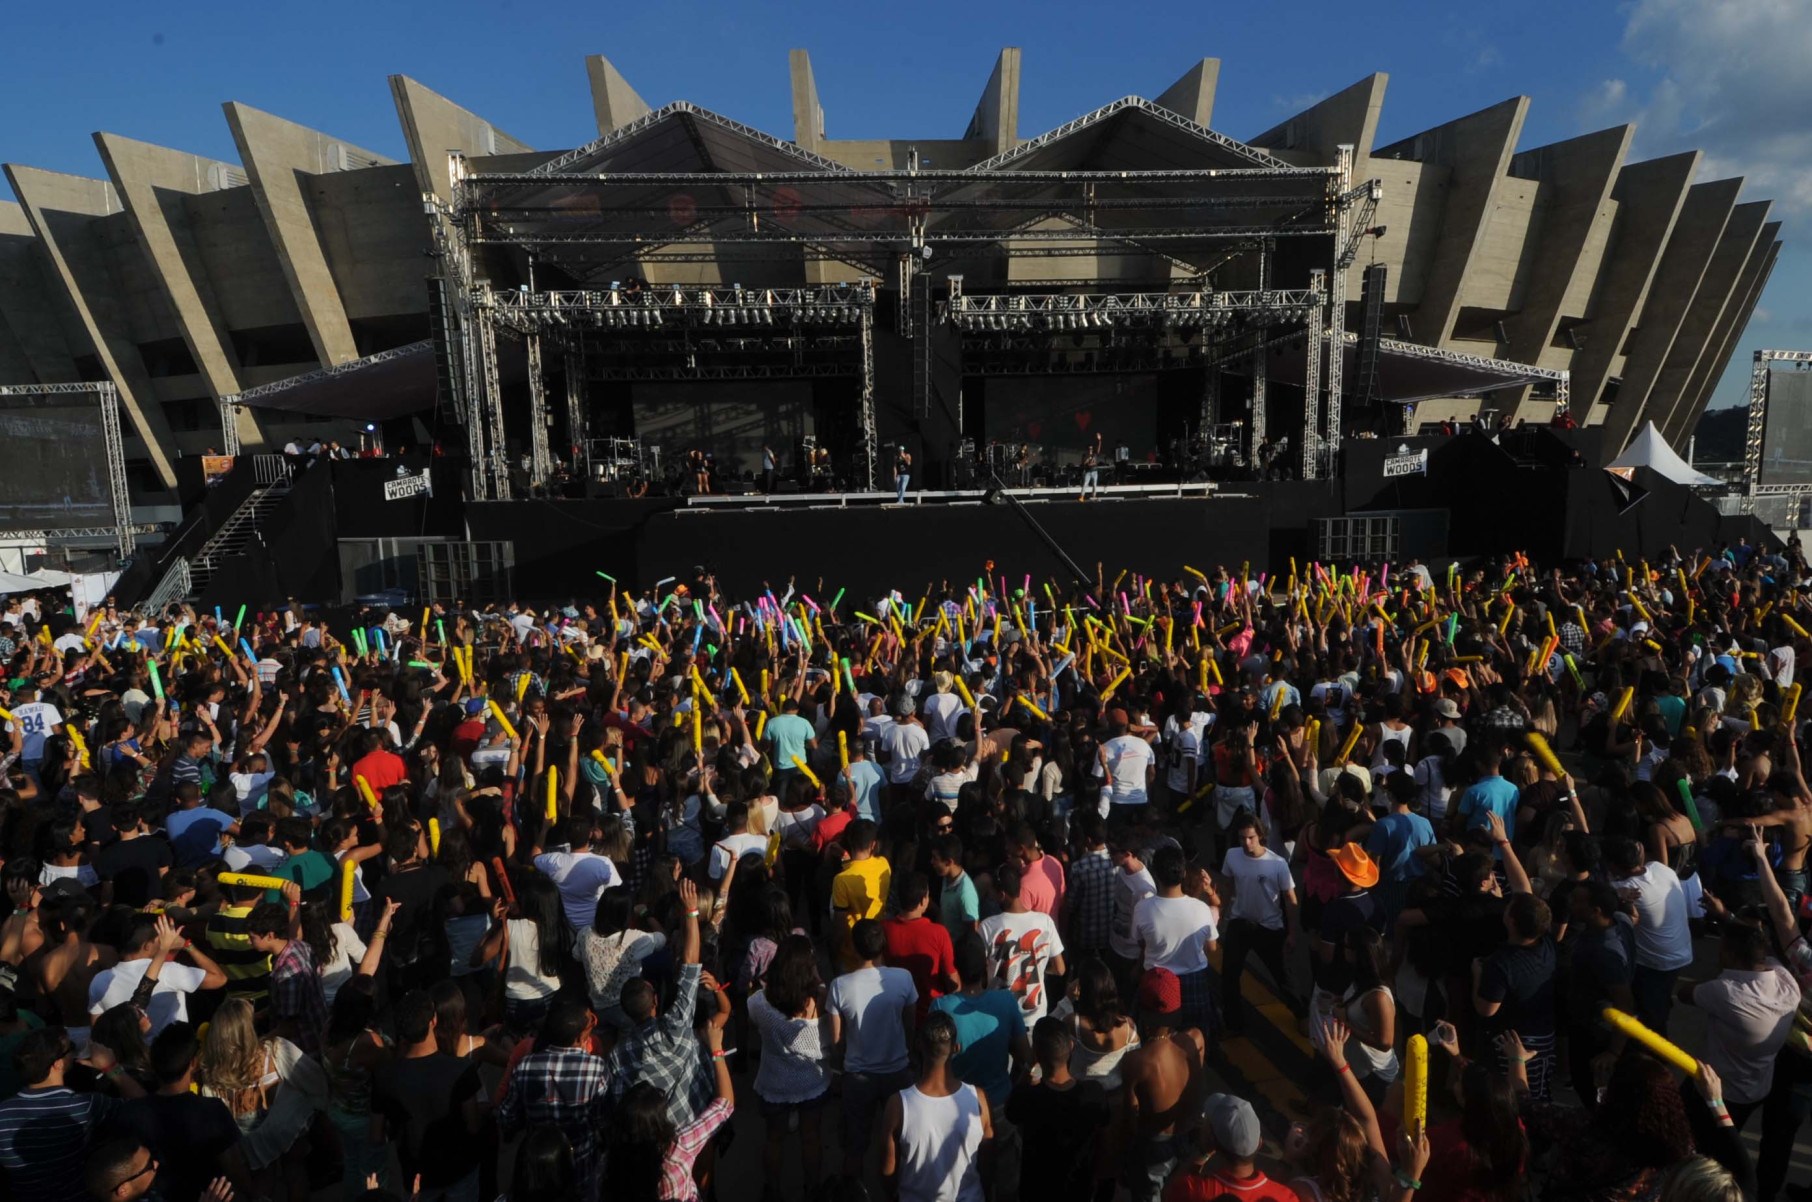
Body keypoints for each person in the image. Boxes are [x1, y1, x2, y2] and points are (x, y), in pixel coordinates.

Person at [109, 1023, 248, 1202]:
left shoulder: (130, 1113)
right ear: (193, 1064)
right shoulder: (212, 1110)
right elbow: (234, 1167)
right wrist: (252, 1193)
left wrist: (110, 1068)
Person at [0, 1027, 142, 1201]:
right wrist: (111, 1067)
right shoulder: (82, 1105)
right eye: (71, 1048)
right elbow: (143, 1105)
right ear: (58, 1064)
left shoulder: (3, 1112)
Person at [370, 989, 486, 1202]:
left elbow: (377, 1136)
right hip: (459, 1170)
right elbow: (473, 1125)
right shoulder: (461, 1070)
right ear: (433, 1020)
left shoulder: (384, 1076)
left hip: (416, 1179)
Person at [828, 917, 919, 1175]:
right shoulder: (903, 978)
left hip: (857, 1076)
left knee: (854, 1146)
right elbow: (910, 1024)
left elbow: (836, 1040)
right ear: (883, 946)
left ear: (854, 948)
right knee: (902, 1140)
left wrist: (839, 1069)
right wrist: (909, 1053)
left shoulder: (839, 986)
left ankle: (853, 1190)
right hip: (898, 1071)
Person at [495, 996, 610, 1199]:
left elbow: (507, 1117)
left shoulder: (525, 1066)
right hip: (581, 1162)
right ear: (580, 1037)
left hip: (538, 1165)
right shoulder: (596, 1068)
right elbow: (602, 1120)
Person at [879, 1011, 993, 1202]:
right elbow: (987, 1164)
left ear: (918, 1046)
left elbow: (887, 1171)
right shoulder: (979, 1099)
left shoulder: (898, 1105)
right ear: (956, 1048)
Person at [747, 933, 831, 1192]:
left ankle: (772, 1190)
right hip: (812, 1081)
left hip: (774, 1081)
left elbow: (751, 1018)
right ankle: (813, 1188)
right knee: (811, 1137)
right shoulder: (819, 1001)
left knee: (774, 1139)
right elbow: (829, 1041)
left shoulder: (761, 1002)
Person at [1118, 968, 1205, 1202]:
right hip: (1188, 1137)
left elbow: (1131, 1118)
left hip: (1154, 1147)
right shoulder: (1195, 1039)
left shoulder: (1137, 1062)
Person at [1006, 1017, 1109, 1202]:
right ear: (1071, 1046)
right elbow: (1104, 1128)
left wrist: (1029, 1067)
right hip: (1078, 1190)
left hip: (1036, 1191)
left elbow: (1011, 1110)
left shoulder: (1029, 1097)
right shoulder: (1094, 1093)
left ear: (1037, 1054)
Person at [1217, 814, 1299, 1034]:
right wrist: (1223, 913)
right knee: (1229, 976)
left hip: (1269, 928)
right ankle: (1234, 1024)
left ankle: (1302, 1013)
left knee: (1282, 977)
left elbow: (1291, 900)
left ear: (1260, 835)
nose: (1246, 843)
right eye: (1242, 838)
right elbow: (1228, 886)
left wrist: (1291, 933)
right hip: (1239, 923)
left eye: (1251, 837)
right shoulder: (1232, 856)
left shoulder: (1277, 864)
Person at [1132, 846, 1218, 1032]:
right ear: (1184, 873)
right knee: (1195, 1038)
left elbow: (1141, 942)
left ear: (1156, 874)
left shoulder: (1142, 908)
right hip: (1194, 982)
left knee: (1156, 1039)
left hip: (1157, 983)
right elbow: (1211, 947)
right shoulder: (1201, 908)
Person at [1163, 1092, 1300, 1202]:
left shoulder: (1193, 1190)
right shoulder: (1288, 1197)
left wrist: (1204, 1152)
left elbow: (1173, 1192)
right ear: (1259, 1144)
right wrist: (1287, 1159)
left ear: (1213, 1141)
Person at [979, 863, 1067, 1029]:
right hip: (1034, 1015)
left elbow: (979, 972)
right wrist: (1038, 968)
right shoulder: (1045, 921)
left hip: (997, 1014)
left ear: (1002, 895)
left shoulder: (987, 927)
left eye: (992, 892)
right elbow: (1060, 969)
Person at [884, 872, 958, 1021]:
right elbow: (952, 979)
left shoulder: (884, 929)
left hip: (896, 1013)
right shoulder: (938, 933)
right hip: (931, 1014)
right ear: (924, 900)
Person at [534, 815, 623, 931]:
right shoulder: (602, 863)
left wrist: (545, 829)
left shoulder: (554, 861)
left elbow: (534, 857)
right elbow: (618, 892)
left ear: (567, 836)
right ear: (590, 834)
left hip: (564, 927)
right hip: (594, 927)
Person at [830, 818, 890, 971]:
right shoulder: (884, 864)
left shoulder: (841, 880)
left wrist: (834, 952)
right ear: (873, 844)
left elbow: (839, 924)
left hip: (852, 950)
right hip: (877, 943)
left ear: (849, 841)